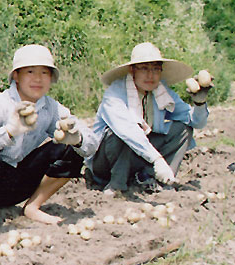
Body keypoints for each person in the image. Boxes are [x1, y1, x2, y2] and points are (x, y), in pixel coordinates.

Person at [0, 44, 98, 233]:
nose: (38, 79)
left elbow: (92, 144)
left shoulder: (50, 108)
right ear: (16, 75)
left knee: (71, 148)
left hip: (20, 183)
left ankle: (33, 206)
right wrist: (8, 132)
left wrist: (78, 139)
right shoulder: (0, 105)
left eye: (44, 73)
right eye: (30, 71)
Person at [86, 42, 211, 194]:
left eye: (155, 69)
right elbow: (127, 130)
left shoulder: (161, 92)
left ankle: (161, 181)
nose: (150, 75)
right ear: (132, 70)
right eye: (144, 68)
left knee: (183, 129)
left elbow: (196, 122)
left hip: (141, 156)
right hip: (106, 162)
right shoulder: (115, 94)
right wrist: (157, 160)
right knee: (123, 132)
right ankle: (117, 186)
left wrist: (200, 103)